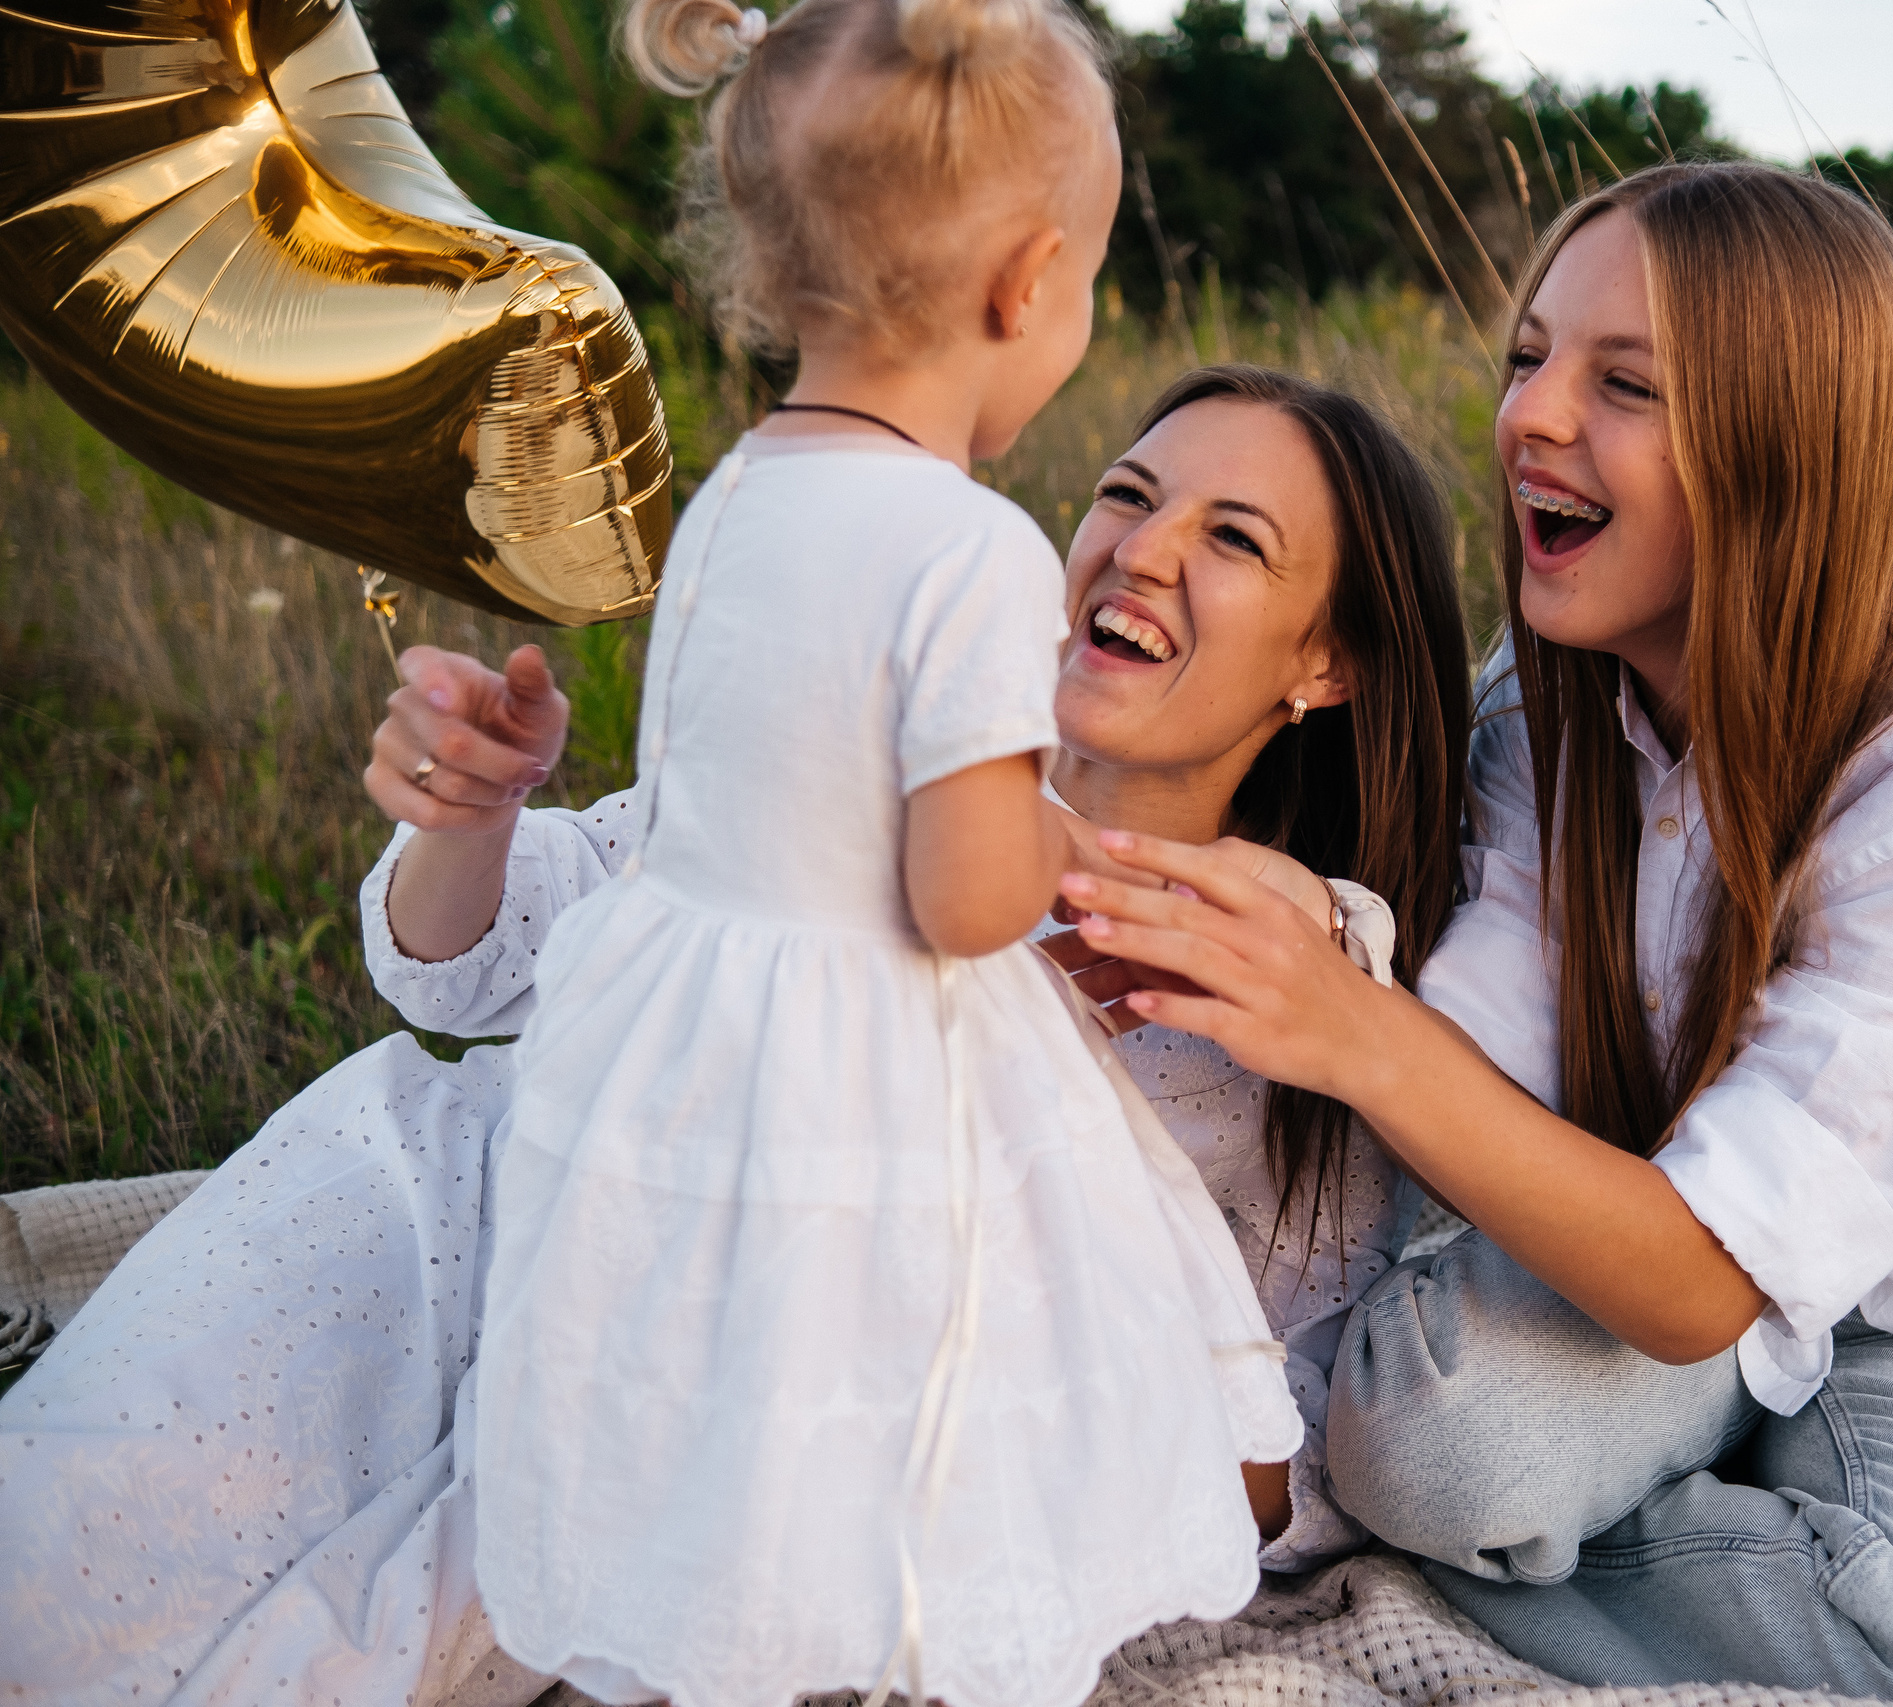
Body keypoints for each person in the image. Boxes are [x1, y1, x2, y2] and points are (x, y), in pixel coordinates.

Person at [0, 366, 1470, 1707]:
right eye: (1128, 496)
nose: (1143, 550)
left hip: (710, 1402)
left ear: (1326, 663)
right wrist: (470, 813)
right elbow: (469, 970)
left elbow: (1269, 1441)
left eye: (1233, 539)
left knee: (354, 1647)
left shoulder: (1296, 975)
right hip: (454, 1216)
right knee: (73, 1542)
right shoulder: (864, 741)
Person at [1058, 161, 1893, 1704]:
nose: (1531, 416)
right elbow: (1472, 1079)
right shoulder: (1537, 708)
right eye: (1529, 357)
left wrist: (1351, 1020)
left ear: (1778, 443)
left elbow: (1698, 1277)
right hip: (1621, 1178)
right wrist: (1331, 942)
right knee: (1431, 1442)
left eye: (1624, 383)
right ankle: (1552, 1517)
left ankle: (1527, 1556)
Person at [454, 0, 1307, 1697]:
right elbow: (962, 897)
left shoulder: (731, 498)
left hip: (683, 1051)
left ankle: (738, 1629)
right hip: (874, 1062)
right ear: (1027, 285)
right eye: (1090, 285)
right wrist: (1059, 844)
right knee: (939, 1369)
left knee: (751, 1389)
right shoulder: (967, 549)